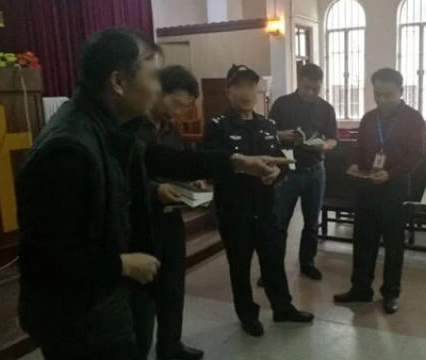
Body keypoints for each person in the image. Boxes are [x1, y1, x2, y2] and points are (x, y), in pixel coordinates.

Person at [17, 28, 291, 360]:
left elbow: (164, 159)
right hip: (77, 316)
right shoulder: (68, 148)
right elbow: (46, 255)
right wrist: (120, 264)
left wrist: (237, 162)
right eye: (153, 77)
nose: (159, 88)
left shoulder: (109, 127)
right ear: (118, 82)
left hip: (98, 302)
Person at [201, 65, 314, 337]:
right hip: (234, 210)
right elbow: (211, 166)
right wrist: (244, 169)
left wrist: (276, 173)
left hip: (266, 207)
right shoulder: (218, 127)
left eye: (251, 86)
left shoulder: (267, 125)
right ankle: (247, 314)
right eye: (239, 86)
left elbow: (281, 162)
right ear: (229, 91)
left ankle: (282, 307)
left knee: (273, 261)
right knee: (240, 266)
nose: (246, 92)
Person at [333, 68, 426, 314]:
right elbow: (358, 146)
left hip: (394, 188)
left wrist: (391, 173)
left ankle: (391, 293)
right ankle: (361, 288)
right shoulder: (369, 118)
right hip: (367, 187)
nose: (382, 100)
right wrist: (353, 163)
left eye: (387, 95)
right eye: (377, 95)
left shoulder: (413, 118)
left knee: (394, 243)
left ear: (400, 91)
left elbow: (416, 156)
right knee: (363, 239)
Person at [126, 65, 203, 360]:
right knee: (143, 297)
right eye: (178, 104)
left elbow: (178, 163)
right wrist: (153, 189)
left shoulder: (170, 129)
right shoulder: (132, 128)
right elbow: (123, 177)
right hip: (140, 225)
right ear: (161, 92)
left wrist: (190, 179)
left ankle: (171, 345)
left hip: (171, 219)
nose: (180, 113)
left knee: (173, 287)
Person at [268, 63, 338, 281]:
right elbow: (267, 134)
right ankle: (273, 267)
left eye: (315, 89)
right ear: (299, 82)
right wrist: (281, 135)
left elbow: (333, 138)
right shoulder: (282, 104)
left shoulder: (326, 108)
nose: (310, 93)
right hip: (287, 171)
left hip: (315, 171)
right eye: (306, 87)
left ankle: (307, 262)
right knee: (279, 222)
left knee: (311, 223)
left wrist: (325, 146)